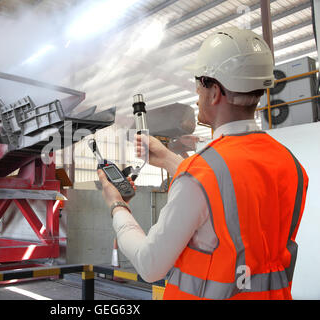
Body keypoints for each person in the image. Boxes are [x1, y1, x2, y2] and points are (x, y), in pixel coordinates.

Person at [97, 27, 309, 300]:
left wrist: (116, 204)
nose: (196, 91)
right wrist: (169, 160)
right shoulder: (291, 164)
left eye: (198, 82)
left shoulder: (199, 174)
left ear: (215, 92)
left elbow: (150, 265)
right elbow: (230, 192)